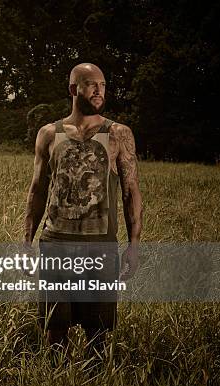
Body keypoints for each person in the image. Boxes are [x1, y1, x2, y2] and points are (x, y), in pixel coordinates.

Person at [23, 63, 143, 355]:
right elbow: (38, 190)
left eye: (102, 84)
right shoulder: (49, 134)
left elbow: (130, 192)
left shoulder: (118, 134)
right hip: (56, 243)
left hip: (99, 245)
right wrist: (26, 241)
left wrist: (134, 244)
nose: (98, 90)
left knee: (98, 333)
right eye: (91, 84)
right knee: (55, 329)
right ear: (73, 89)